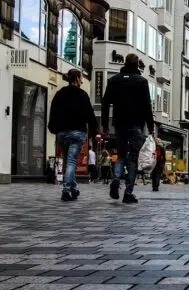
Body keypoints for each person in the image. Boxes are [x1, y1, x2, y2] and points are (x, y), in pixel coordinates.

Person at [101, 53, 154, 204]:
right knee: (133, 158)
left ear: (124, 63)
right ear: (137, 65)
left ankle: (116, 178)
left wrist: (105, 124)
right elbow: (147, 106)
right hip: (136, 124)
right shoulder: (142, 82)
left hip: (119, 124)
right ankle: (128, 192)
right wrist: (151, 126)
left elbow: (105, 103)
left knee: (121, 155)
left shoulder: (114, 80)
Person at [48, 69, 98, 201]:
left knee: (68, 161)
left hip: (62, 133)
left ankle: (74, 188)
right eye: (80, 78)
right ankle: (66, 189)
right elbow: (90, 115)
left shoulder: (60, 94)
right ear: (77, 79)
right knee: (71, 161)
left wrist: (53, 128)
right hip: (77, 132)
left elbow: (53, 111)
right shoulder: (82, 95)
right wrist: (94, 130)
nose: (81, 80)